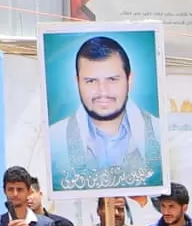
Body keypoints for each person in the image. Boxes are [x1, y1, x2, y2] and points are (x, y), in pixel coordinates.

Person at [47, 34, 164, 192]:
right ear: (77, 83)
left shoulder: (160, 135)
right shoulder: (53, 141)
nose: (103, 91)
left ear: (129, 80)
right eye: (91, 81)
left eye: (112, 80)